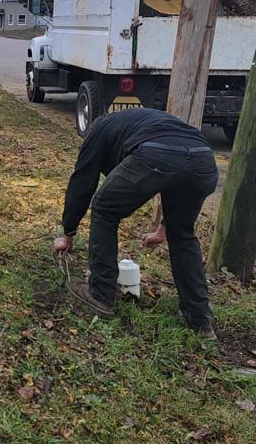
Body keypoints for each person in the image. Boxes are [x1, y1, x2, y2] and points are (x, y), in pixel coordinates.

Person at [53, 108, 218, 337]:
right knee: (183, 235)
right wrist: (163, 230)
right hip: (203, 158)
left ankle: (100, 294)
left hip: (158, 155)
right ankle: (200, 319)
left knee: (104, 209)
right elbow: (174, 172)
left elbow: (82, 183)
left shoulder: (98, 131)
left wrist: (68, 233)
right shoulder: (139, 123)